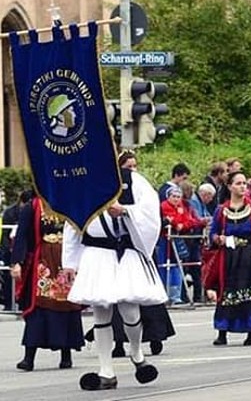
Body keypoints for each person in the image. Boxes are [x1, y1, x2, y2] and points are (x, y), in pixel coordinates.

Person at [63, 150, 166, 390]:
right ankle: (106, 370)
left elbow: (151, 211)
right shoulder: (82, 182)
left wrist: (126, 211)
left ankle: (137, 352)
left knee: (130, 310)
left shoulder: (131, 180)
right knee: (100, 311)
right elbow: (72, 221)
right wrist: (69, 262)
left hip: (123, 252)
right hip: (95, 253)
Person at [11, 193, 84, 371]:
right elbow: (22, 235)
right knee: (39, 307)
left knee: (68, 306)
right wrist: (17, 262)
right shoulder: (33, 206)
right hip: (43, 262)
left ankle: (66, 356)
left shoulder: (70, 203)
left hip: (66, 261)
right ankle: (29, 358)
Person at [207, 172, 251, 346]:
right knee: (226, 293)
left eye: (244, 183)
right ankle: (222, 331)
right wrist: (218, 239)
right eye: (238, 183)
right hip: (228, 258)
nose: (242, 187)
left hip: (250, 257)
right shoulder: (221, 211)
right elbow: (212, 233)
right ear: (230, 186)